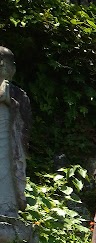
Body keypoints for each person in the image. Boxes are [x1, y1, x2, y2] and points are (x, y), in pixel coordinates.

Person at [0, 47, 31, 231]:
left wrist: (11, 102)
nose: (11, 68)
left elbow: (25, 124)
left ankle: (7, 210)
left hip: (9, 145)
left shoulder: (18, 93)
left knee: (7, 173)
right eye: (8, 64)